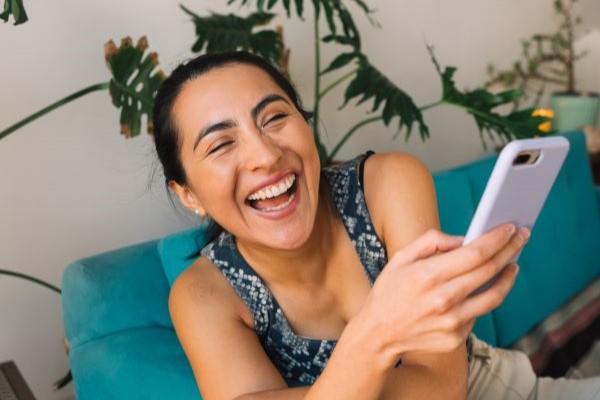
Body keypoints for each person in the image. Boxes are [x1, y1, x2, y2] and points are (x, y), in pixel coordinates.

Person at [152, 51, 600, 400]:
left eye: (275, 118)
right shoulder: (203, 297)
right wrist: (377, 333)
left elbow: (444, 390)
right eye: (221, 144)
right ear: (187, 194)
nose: (266, 156)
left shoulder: (388, 183)